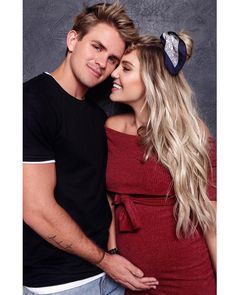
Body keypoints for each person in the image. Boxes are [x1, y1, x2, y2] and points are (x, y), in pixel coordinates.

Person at [23, 2, 159, 294]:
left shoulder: (98, 117)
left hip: (109, 273)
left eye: (112, 58)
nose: (103, 62)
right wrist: (105, 261)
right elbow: (35, 208)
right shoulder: (32, 102)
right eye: (96, 47)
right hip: (59, 282)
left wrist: (111, 255)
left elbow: (102, 196)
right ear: (73, 40)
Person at [105, 32, 216, 295]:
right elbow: (109, 201)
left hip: (189, 276)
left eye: (126, 68)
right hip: (130, 278)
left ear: (151, 79)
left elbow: (212, 217)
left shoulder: (191, 131)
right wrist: (112, 253)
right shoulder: (111, 129)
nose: (113, 73)